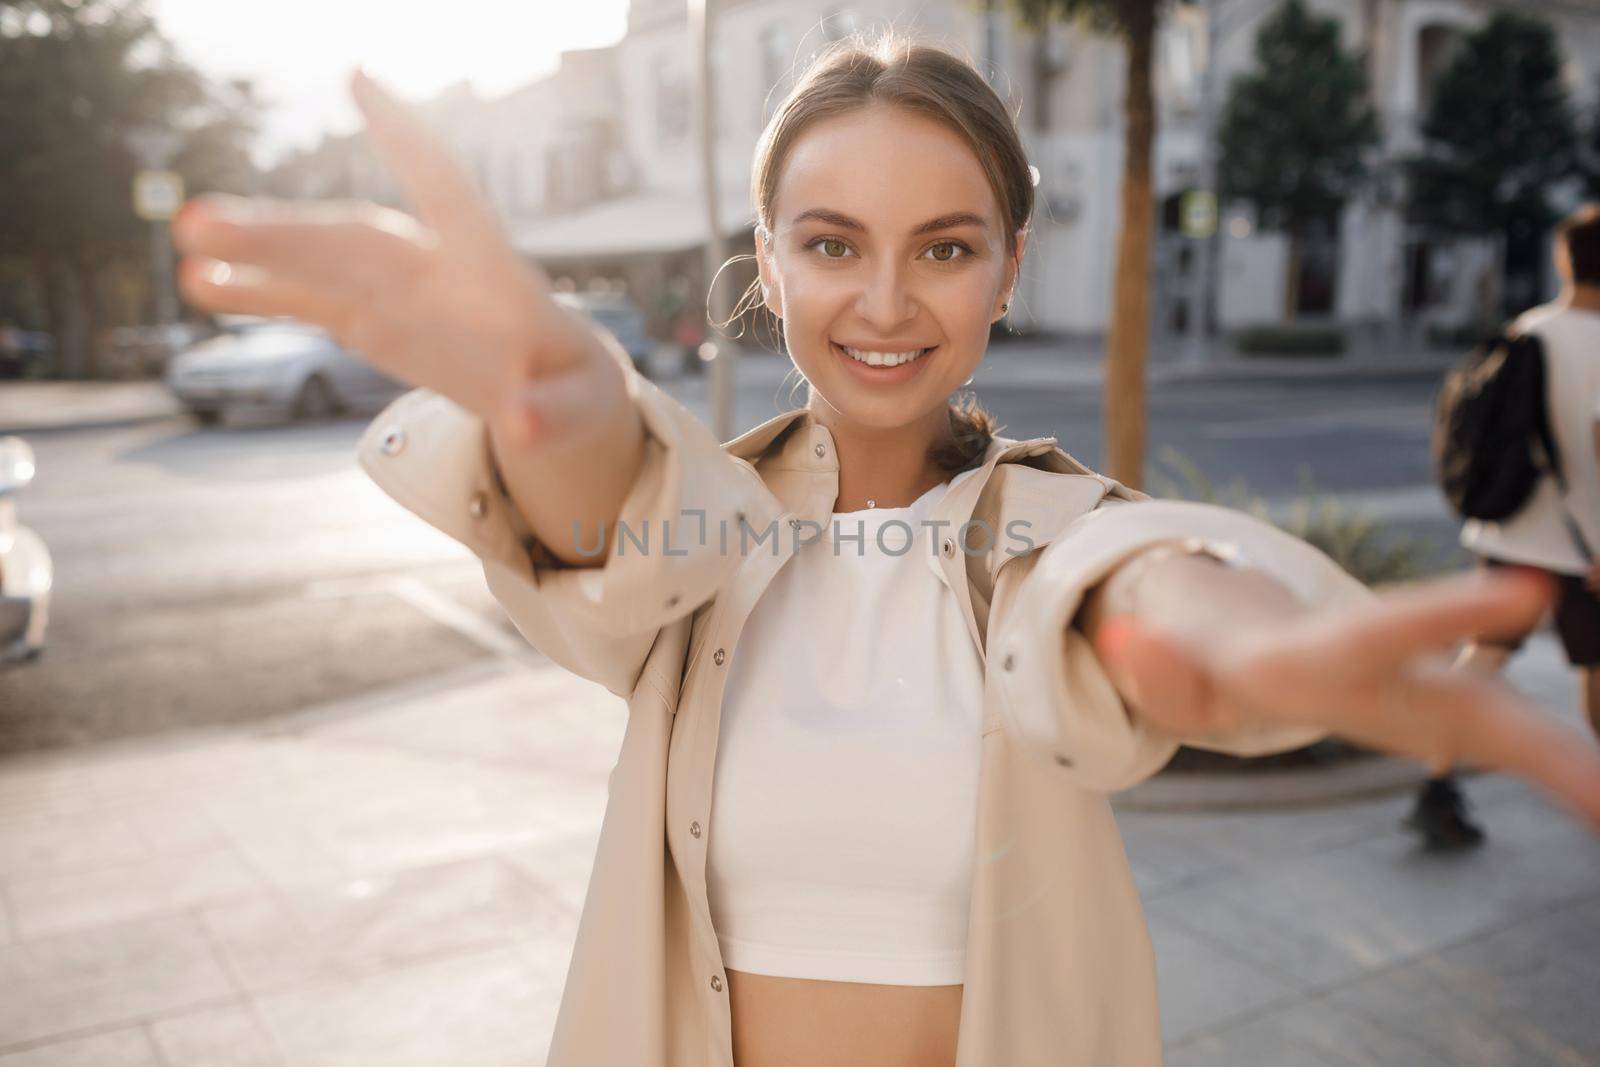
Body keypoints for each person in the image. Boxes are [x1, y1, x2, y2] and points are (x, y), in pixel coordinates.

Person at [168, 34, 1600, 1067]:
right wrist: (559, 395)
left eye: (947, 246)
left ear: (1010, 268)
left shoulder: (1052, 532)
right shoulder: (707, 529)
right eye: (835, 243)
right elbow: (612, 501)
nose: (888, 301)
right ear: (770, 259)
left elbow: (1130, 576)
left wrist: (1234, 641)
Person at [1409, 204, 1600, 851]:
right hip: (1587, 550)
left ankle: (1436, 786)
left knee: (1479, 661)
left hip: (1514, 532)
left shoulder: (1526, 330)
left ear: (1562, 259)